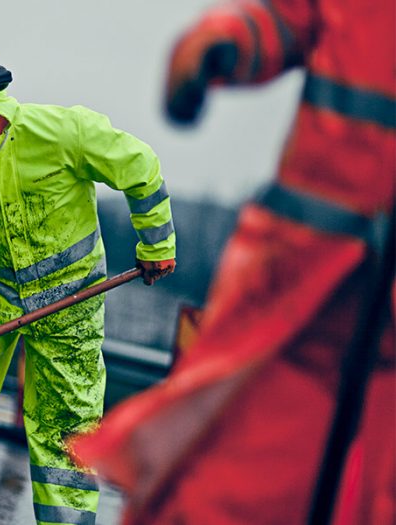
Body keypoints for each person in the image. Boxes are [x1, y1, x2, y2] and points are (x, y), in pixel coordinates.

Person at [71, 1, 395, 524]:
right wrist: (218, 43)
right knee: (227, 478)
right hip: (304, 292)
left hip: (349, 314)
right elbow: (281, 16)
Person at [0, 36, 176, 524]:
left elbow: (140, 167)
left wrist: (156, 248)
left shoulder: (62, 132)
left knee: (67, 432)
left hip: (70, 302)